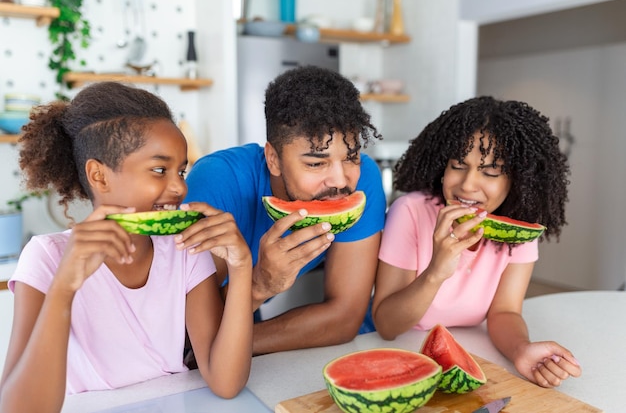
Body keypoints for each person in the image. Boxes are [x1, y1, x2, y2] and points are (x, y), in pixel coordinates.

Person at [0, 82, 253, 413]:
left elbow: (226, 382)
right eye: (159, 170)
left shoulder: (185, 249)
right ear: (99, 176)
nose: (180, 186)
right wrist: (64, 287)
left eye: (181, 170)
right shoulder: (46, 257)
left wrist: (241, 266)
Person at [371, 96, 582, 388]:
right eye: (458, 164)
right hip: (398, 353)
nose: (468, 184)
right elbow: (386, 325)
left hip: (475, 350)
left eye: (491, 171)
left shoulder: (519, 230)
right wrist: (436, 271)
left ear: (517, 180)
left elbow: (505, 312)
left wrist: (521, 350)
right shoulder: (410, 211)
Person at [184, 65, 387, 355]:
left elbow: (343, 318)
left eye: (351, 157)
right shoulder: (217, 181)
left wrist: (226, 345)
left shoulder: (362, 180)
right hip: (214, 305)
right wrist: (260, 285)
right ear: (273, 159)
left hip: (240, 321)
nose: (341, 181)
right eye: (316, 163)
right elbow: (178, 332)